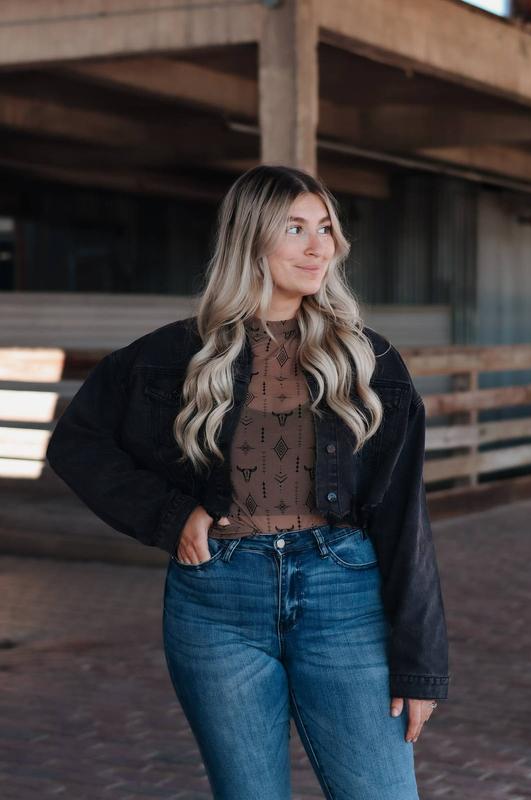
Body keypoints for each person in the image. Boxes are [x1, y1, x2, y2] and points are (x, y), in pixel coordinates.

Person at [46, 164, 449, 799]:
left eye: (325, 228)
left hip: (343, 598)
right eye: (295, 229)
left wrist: (420, 665)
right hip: (216, 604)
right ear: (250, 239)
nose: (319, 247)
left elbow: (405, 518)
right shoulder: (171, 355)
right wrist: (172, 513)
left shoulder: (371, 361)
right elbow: (77, 444)